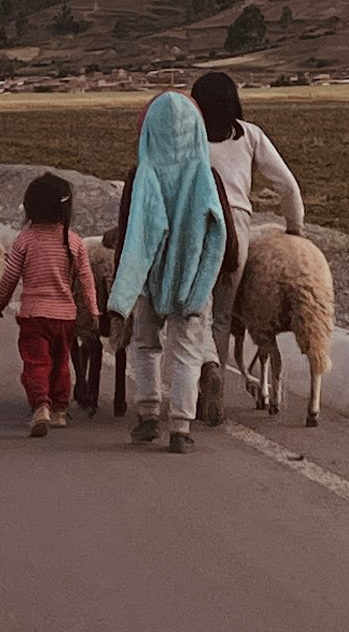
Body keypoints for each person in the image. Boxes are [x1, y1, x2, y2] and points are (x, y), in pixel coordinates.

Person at [105, 91, 233, 454]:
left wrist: (123, 286)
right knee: (188, 352)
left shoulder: (142, 175)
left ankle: (147, 415)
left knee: (146, 345)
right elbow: (222, 230)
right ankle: (180, 427)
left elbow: (133, 232)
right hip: (194, 279)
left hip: (149, 280)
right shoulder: (206, 176)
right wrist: (218, 272)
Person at [190, 70, 305, 426]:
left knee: (195, 311)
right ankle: (217, 387)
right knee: (223, 316)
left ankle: (198, 380)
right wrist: (294, 227)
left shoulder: (189, 136)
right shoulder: (250, 134)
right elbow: (287, 185)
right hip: (235, 226)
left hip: (194, 223)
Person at [0, 172, 98, 437]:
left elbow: (9, 278)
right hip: (65, 318)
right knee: (61, 362)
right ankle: (60, 409)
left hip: (33, 316)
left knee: (36, 362)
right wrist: (94, 310)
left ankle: (41, 405)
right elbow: (86, 281)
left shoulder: (24, 241)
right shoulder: (75, 242)